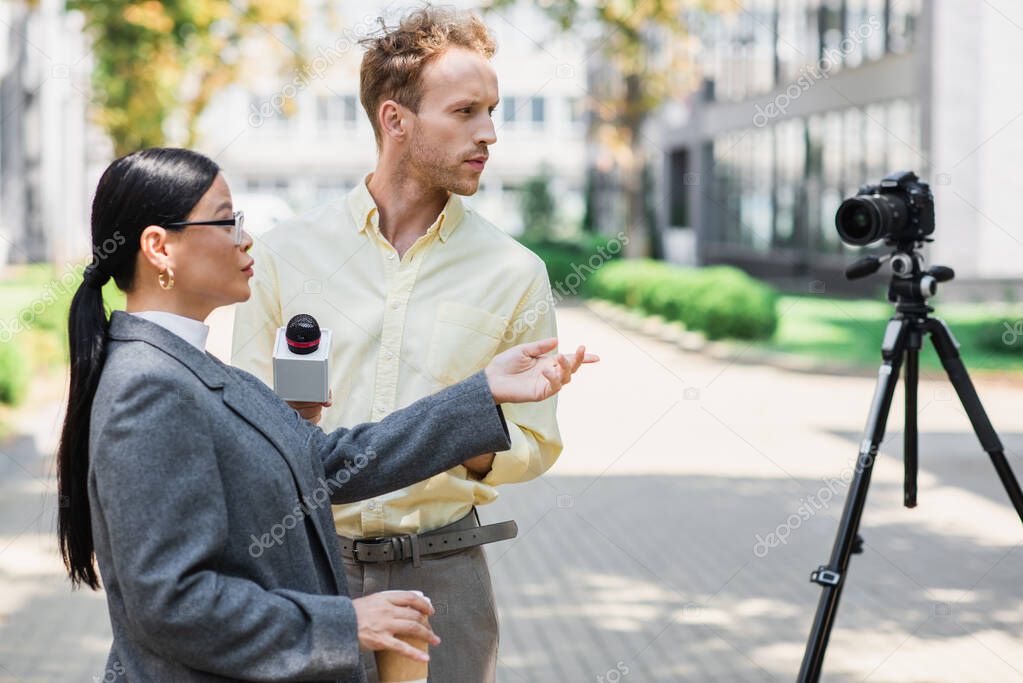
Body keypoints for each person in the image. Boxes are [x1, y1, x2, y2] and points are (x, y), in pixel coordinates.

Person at [57, 147, 597, 682]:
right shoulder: (148, 387)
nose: (245, 238)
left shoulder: (192, 368)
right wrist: (345, 622)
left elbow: (331, 461)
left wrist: (481, 393)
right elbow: (172, 603)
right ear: (160, 247)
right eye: (226, 220)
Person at [232, 9, 562, 680]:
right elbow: (242, 426)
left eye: (491, 110)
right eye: (465, 111)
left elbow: (535, 444)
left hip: (445, 576)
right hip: (309, 569)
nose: (489, 133)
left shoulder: (513, 271)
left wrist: (466, 428)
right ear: (395, 120)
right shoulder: (284, 256)